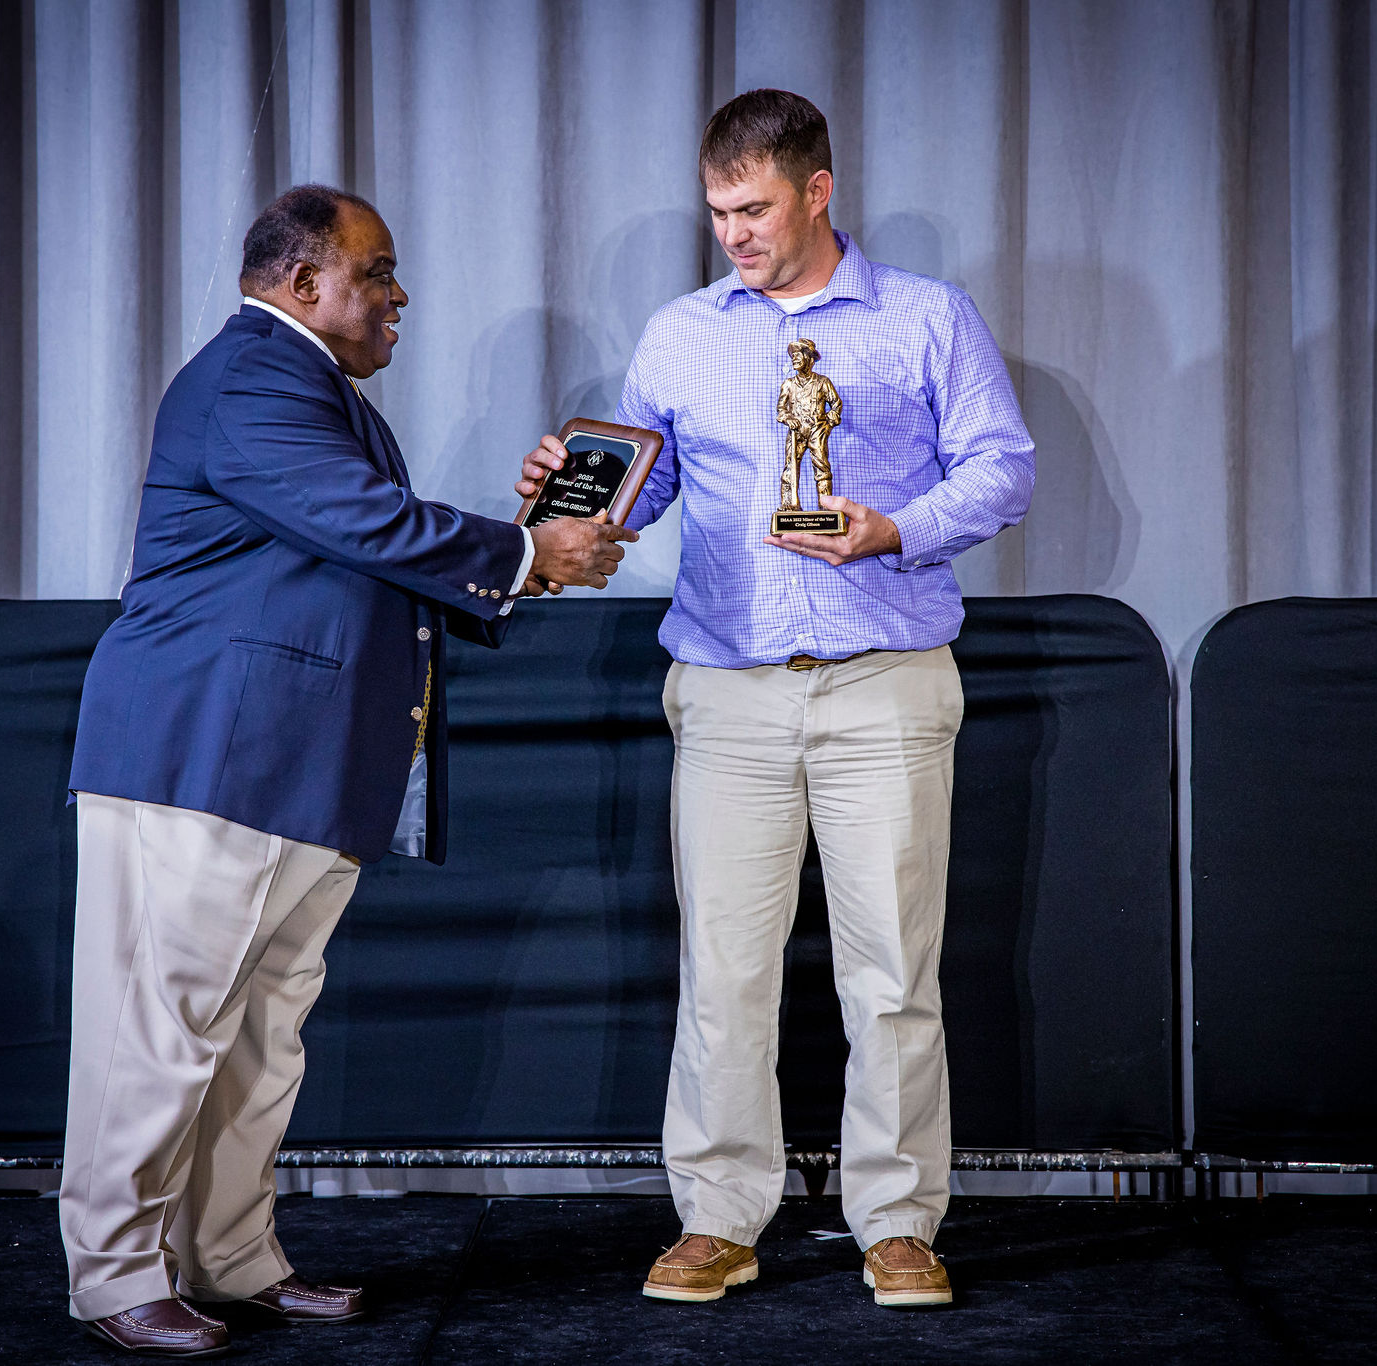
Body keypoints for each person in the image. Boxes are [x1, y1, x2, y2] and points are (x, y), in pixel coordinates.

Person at [62, 183, 634, 1358]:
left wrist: (524, 552)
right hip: (205, 756)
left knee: (263, 1036)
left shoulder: (319, 393)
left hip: (289, 769)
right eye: (375, 273)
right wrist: (528, 550)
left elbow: (363, 544)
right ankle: (115, 1271)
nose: (396, 294)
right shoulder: (253, 377)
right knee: (158, 1029)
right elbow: (362, 523)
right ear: (299, 283)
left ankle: (231, 1258)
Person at [521, 89, 1035, 1310]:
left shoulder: (924, 317)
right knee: (724, 970)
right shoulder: (680, 332)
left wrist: (896, 527)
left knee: (892, 972)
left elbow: (1002, 466)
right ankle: (715, 1216)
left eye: (752, 208)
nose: (733, 233)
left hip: (884, 683)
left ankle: (897, 1222)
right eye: (715, 211)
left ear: (817, 190)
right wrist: (567, 496)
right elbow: (631, 500)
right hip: (729, 690)